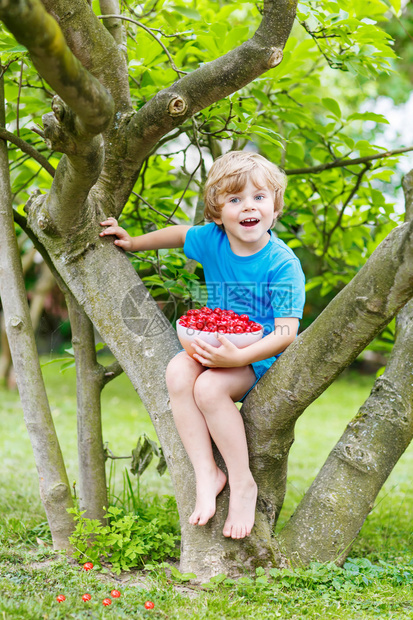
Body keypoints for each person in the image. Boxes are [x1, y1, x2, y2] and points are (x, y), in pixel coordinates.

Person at [99, 151, 305, 540]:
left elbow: (286, 333)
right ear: (217, 212)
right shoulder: (213, 239)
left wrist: (239, 356)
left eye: (260, 198)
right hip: (218, 341)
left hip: (259, 354)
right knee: (177, 372)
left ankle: (242, 482)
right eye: (235, 200)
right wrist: (133, 242)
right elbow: (179, 234)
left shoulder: (282, 263)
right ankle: (207, 472)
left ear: (275, 207)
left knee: (209, 389)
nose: (249, 207)